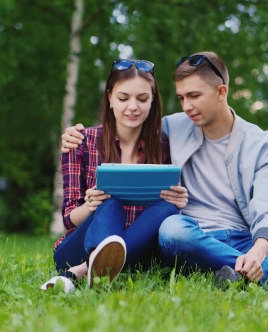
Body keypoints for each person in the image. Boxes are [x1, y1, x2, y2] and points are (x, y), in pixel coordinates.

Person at [60, 52, 268, 289]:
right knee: (172, 228)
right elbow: (129, 120)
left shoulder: (263, 144)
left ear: (221, 91)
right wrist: (77, 135)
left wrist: (259, 250)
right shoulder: (174, 127)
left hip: (251, 236)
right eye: (182, 97)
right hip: (196, 239)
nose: (187, 106)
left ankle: (259, 272)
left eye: (194, 96)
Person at [41, 59, 188, 293]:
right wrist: (91, 206)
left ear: (152, 101)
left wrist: (179, 201)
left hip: (136, 252)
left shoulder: (164, 149)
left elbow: (159, 220)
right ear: (109, 98)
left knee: (168, 209)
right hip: (76, 248)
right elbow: (69, 219)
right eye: (123, 98)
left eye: (142, 99)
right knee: (112, 204)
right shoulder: (80, 142)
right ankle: (89, 263)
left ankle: (81, 271)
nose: (133, 107)